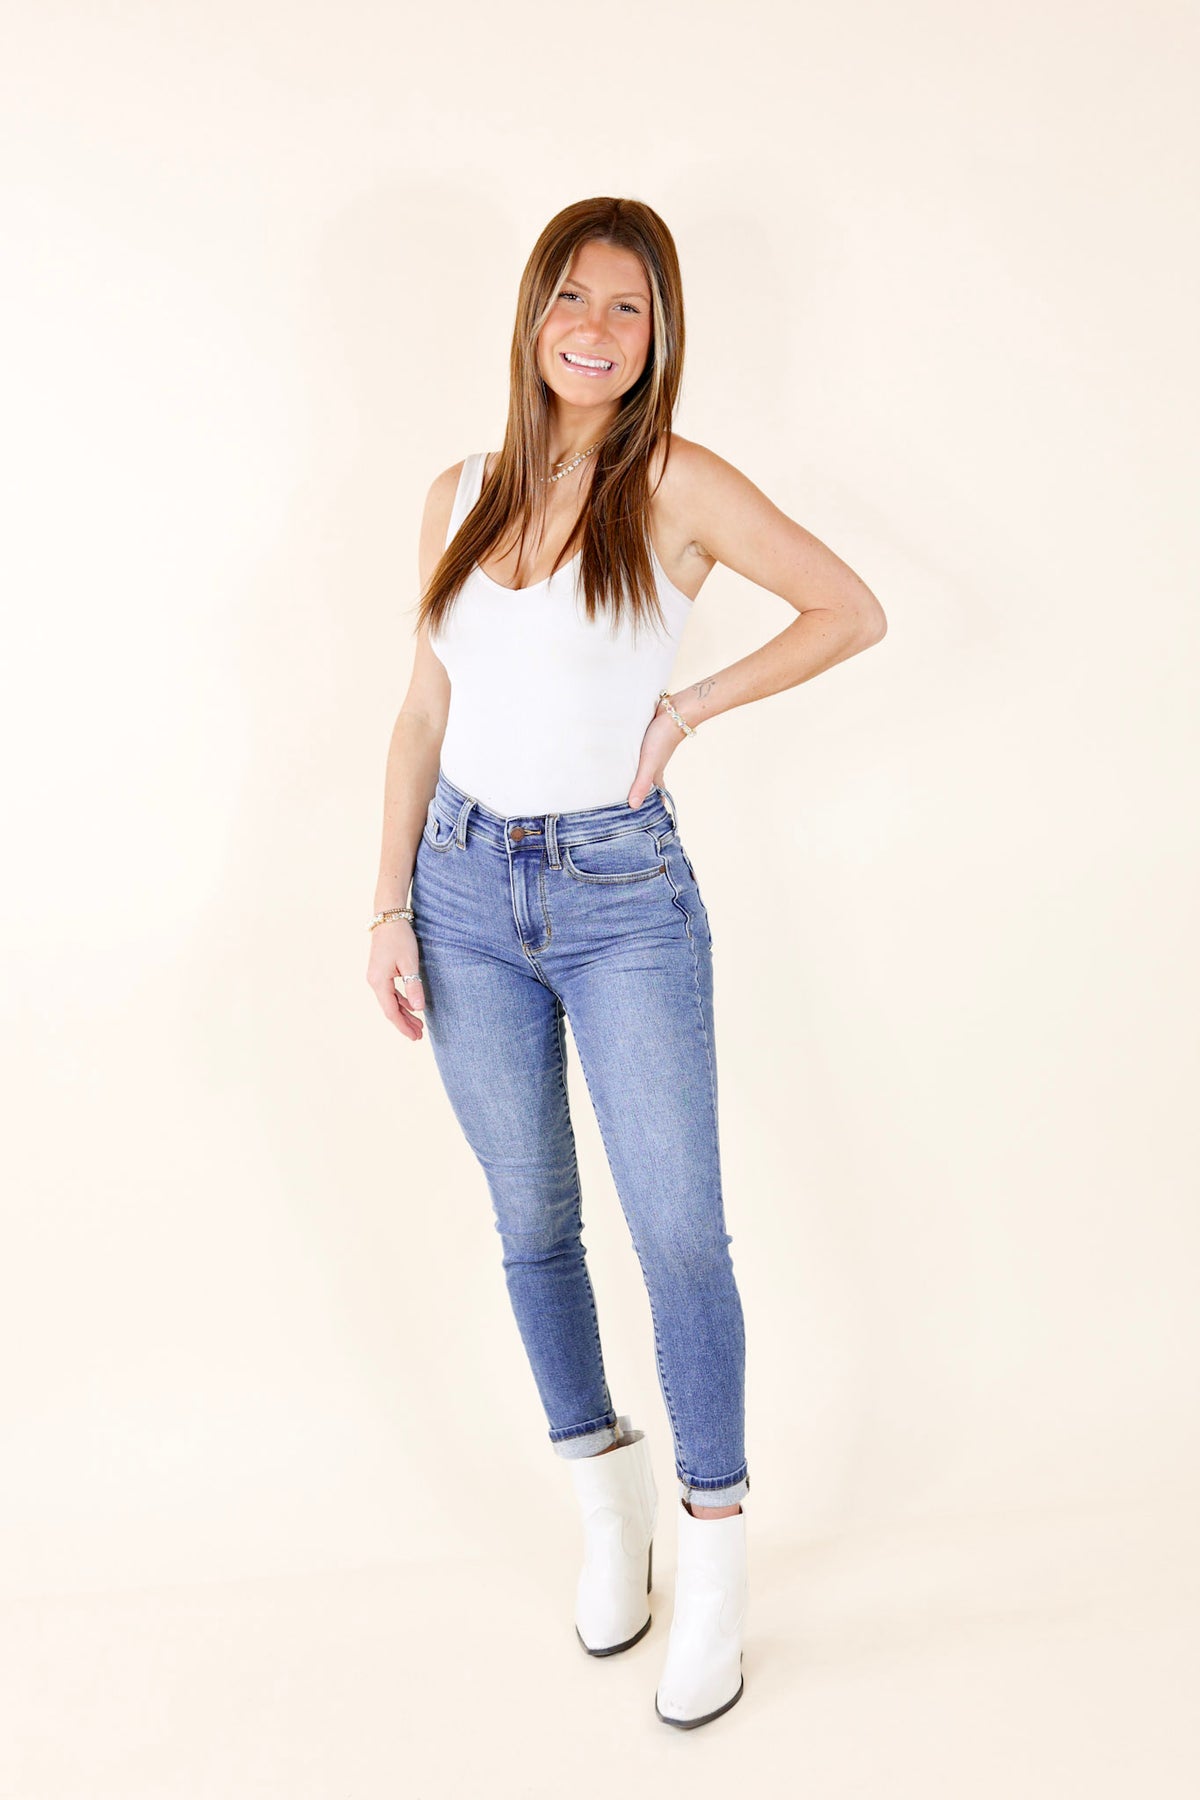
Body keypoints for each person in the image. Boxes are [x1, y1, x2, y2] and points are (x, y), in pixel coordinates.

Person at [367, 196, 887, 1728]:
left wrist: (690, 707)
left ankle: (714, 1563)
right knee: (533, 1225)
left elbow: (850, 610)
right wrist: (387, 907)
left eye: (628, 308)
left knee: (678, 1238)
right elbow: (421, 709)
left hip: (619, 897)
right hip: (460, 891)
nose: (592, 330)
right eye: (572, 298)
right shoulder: (458, 492)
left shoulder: (674, 484)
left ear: (658, 339)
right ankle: (610, 1507)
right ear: (532, 311)